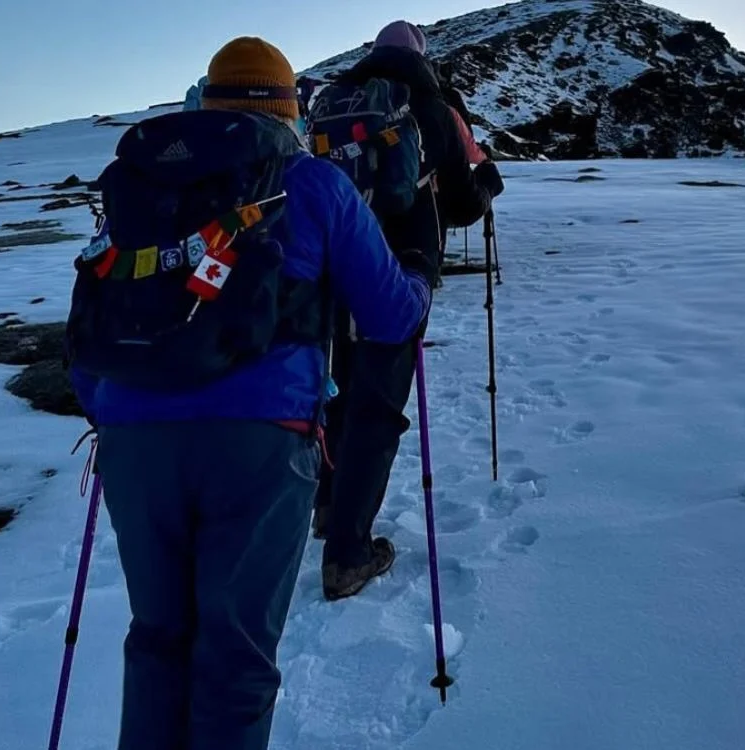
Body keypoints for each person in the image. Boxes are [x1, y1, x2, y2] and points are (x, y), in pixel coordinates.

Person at [66, 36, 431, 750]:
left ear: (208, 97)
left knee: (157, 641)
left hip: (134, 439)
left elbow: (94, 318)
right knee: (234, 658)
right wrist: (416, 264)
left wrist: (109, 416)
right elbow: (391, 316)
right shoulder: (313, 182)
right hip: (262, 443)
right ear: (287, 108)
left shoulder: (140, 186)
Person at [313, 19, 504, 601]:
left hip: (332, 261)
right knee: (378, 400)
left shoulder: (331, 100)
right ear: (421, 55)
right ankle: (347, 554)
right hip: (402, 266)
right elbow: (462, 205)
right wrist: (488, 185)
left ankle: (326, 506)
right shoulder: (435, 106)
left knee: (339, 386)